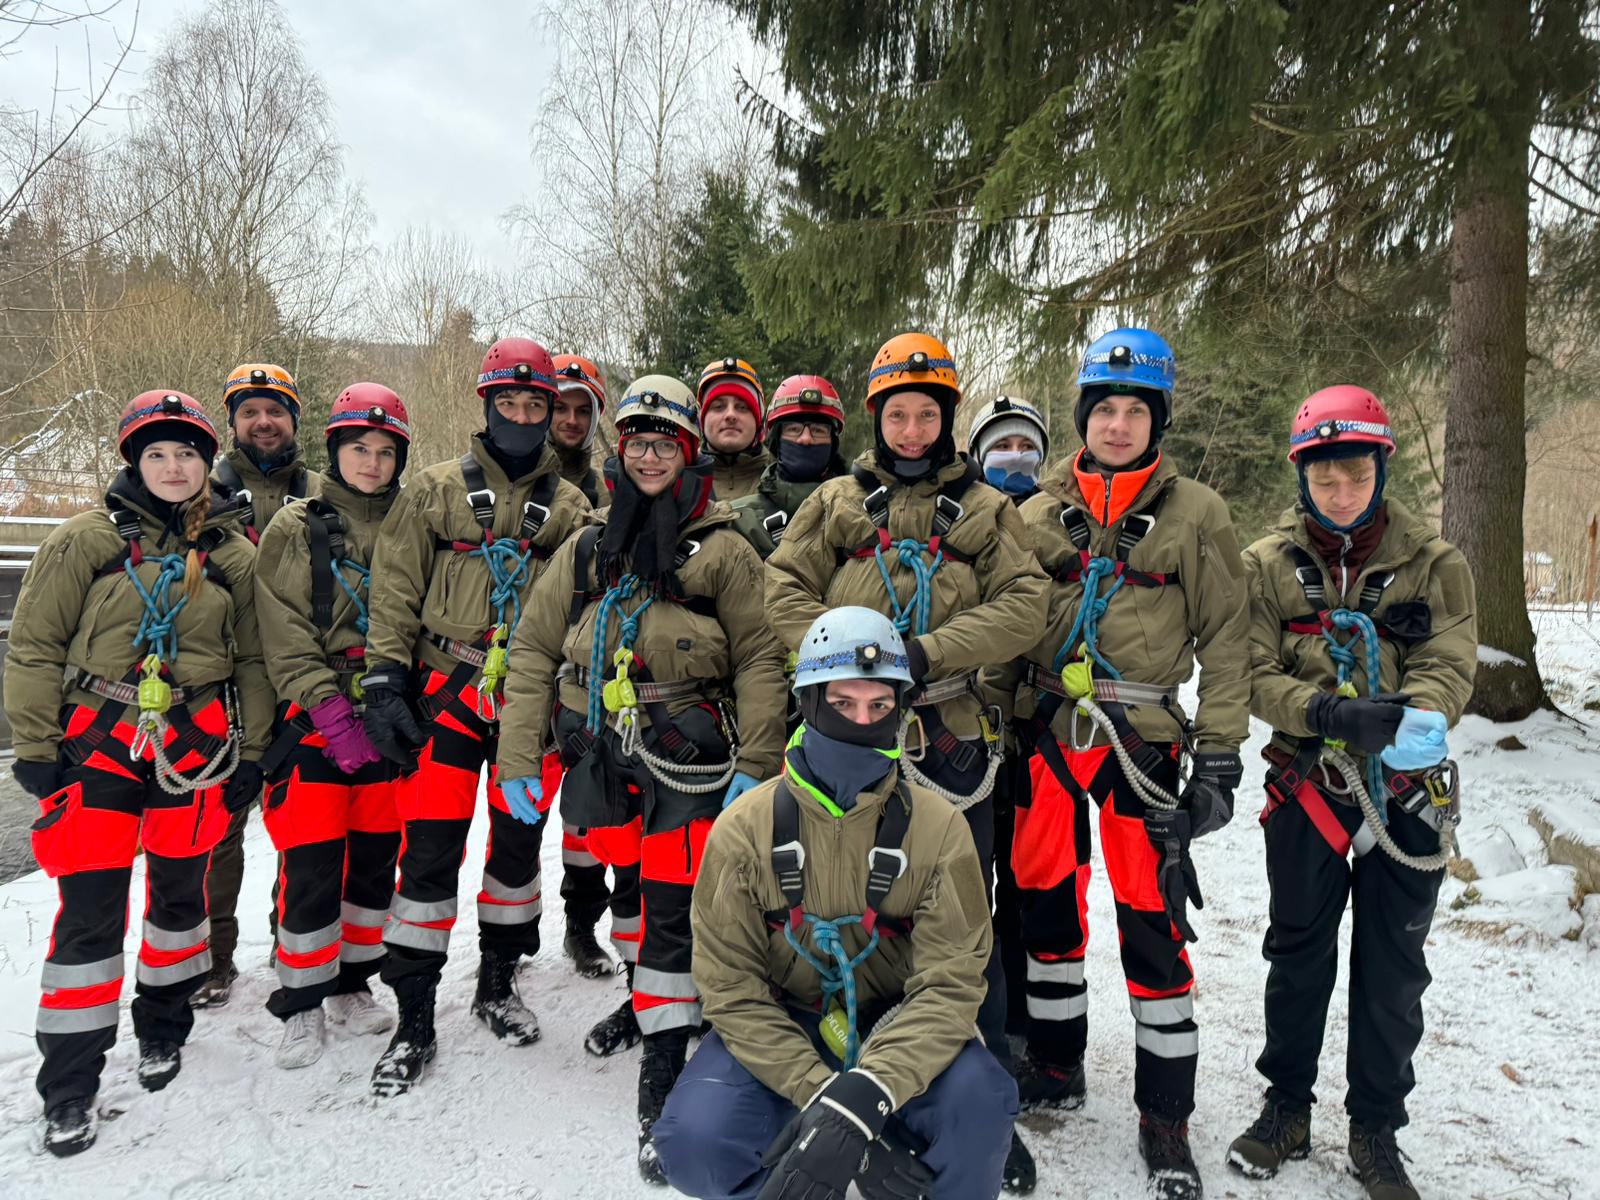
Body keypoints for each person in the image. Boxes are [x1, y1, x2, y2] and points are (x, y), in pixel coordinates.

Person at [764, 331, 1047, 1192]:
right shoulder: (838, 503)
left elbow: (1028, 601)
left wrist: (922, 653)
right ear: (879, 418)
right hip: (850, 730)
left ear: (947, 418)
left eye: (928, 414)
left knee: (967, 919)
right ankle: (836, 1073)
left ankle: (983, 1095)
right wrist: (849, 660)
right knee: (841, 901)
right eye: (899, 413)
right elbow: (784, 587)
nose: (915, 428)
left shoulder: (988, 513)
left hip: (953, 735)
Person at [496, 374, 786, 1183]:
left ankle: (659, 1085)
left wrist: (759, 762)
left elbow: (763, 657)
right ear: (619, 451)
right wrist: (520, 755)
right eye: (636, 443)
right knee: (629, 893)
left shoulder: (725, 549)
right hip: (599, 751)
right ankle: (651, 1001)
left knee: (668, 911)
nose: (650, 455)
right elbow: (532, 648)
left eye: (665, 443)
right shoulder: (589, 545)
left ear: (687, 450)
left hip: (687, 757)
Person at [990, 327, 1251, 1200]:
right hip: (1049, 730)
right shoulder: (1031, 514)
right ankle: (1059, 1065)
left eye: (1137, 411)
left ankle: (1164, 1115)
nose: (1119, 424)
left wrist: (1217, 759)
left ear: (1158, 420)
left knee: (1150, 914)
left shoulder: (1197, 514)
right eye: (1106, 408)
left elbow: (1227, 639)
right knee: (1046, 906)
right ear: (1084, 416)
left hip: (1141, 739)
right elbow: (1001, 628)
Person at [652, 606, 1018, 1200]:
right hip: (785, 1022)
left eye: (879, 706)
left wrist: (872, 1091)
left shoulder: (940, 829)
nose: (861, 721)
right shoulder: (743, 830)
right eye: (843, 704)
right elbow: (730, 989)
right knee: (694, 1143)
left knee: (983, 1103)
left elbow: (951, 985)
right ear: (810, 704)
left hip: (897, 1026)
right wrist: (820, 1095)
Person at [4, 391, 273, 1156]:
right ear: (133, 460)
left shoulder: (232, 556)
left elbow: (255, 660)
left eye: (187, 453)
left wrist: (251, 756)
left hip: (194, 749)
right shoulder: (83, 542)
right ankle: (70, 1083)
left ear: (205, 463)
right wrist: (33, 743)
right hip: (97, 745)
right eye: (157, 454)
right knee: (89, 913)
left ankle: (165, 1025)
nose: (174, 467)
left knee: (178, 901)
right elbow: (33, 647)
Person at [1226, 386, 1475, 1200]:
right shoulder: (1264, 566)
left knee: (1394, 967)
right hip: (1310, 785)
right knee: (1297, 954)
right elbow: (1251, 674)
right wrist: (1327, 711)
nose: (1341, 494)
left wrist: (1417, 715)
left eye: (1356, 477)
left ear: (1380, 470)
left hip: (1404, 789)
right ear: (1303, 478)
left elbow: (1449, 657)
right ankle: (1286, 1106)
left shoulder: (1435, 565)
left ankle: (1375, 1128)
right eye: (1326, 479)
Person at [359, 337, 591, 1096]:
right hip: (446, 692)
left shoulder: (572, 507)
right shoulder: (431, 492)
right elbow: (394, 587)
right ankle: (414, 1011)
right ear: (486, 405)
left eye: (536, 405)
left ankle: (498, 979)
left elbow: (587, 608)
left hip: (532, 701)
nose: (523, 416)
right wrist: (385, 679)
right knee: (427, 852)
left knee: (518, 850)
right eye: (510, 404)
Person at [252, 384, 414, 1069]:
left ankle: (352, 982)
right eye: (358, 449)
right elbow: (283, 630)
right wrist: (325, 707)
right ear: (335, 452)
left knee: (374, 864)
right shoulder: (297, 527)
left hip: (390, 713)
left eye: (384, 452)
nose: (371, 463)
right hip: (319, 722)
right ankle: (300, 999)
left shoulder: (413, 522)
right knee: (311, 866)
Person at [195, 361, 325, 1008]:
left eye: (275, 410)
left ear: (294, 420)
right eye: (250, 411)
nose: (264, 421)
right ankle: (215, 956)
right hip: (226, 688)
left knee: (301, 821)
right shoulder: (199, 494)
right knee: (218, 830)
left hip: (301, 684)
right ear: (233, 423)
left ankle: (290, 935)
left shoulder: (325, 492)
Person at [966, 394, 1051, 1053]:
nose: (1014, 459)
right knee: (966, 878)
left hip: (1033, 736)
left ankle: (1018, 1021)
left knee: (1028, 884)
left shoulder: (1054, 527)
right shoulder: (959, 526)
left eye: (1026, 448)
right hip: (962, 736)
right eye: (1002, 448)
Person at [546, 353, 616, 979]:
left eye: (580, 410)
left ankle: (583, 925)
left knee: (585, 811)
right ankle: (513, 942)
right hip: (510, 666)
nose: (569, 419)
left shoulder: (604, 489)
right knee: (521, 817)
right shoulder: (520, 484)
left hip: (582, 674)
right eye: (559, 406)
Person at [729, 374, 849, 561]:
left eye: (818, 430)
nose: (806, 438)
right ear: (777, 440)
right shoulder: (739, 519)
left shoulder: (862, 513)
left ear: (833, 443)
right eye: (794, 429)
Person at [698, 356, 770, 500]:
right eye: (718, 407)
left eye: (742, 407)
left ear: (758, 421)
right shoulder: (677, 478)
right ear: (701, 419)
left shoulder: (781, 476)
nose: (730, 415)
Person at [551, 354, 607, 505]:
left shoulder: (611, 493)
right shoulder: (518, 484)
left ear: (594, 419)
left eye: (583, 411)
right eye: (560, 408)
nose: (572, 421)